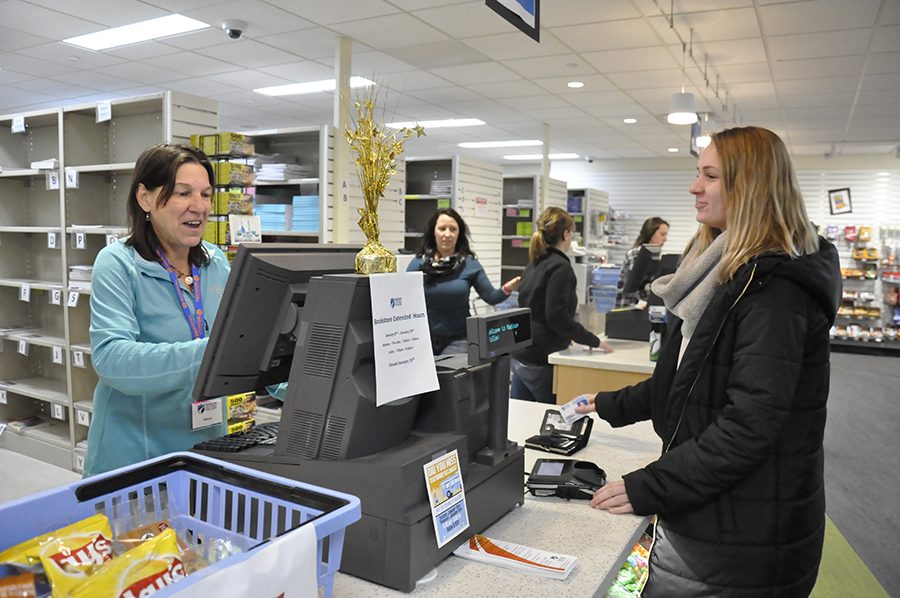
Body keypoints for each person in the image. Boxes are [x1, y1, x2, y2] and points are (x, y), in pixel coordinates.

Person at [575, 126, 841, 596]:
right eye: (698, 174)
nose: (694, 187)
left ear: (751, 186)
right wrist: (613, 403)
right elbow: (692, 379)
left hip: (743, 539)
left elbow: (749, 426)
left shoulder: (773, 288)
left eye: (710, 175)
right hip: (724, 520)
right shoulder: (721, 269)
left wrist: (648, 486)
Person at [84, 144, 231, 477]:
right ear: (145, 198)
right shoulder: (118, 263)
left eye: (206, 194)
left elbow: (246, 341)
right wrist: (213, 353)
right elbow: (112, 360)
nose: (200, 206)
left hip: (206, 450)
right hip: (135, 458)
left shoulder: (216, 262)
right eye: (183, 193)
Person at [511, 207, 609, 404]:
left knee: (520, 417)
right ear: (566, 234)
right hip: (542, 357)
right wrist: (593, 340)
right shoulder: (560, 267)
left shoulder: (535, 262)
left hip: (522, 352)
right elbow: (557, 317)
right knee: (550, 417)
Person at [407, 208, 519, 354]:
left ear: (459, 233)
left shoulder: (469, 264)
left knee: (449, 375)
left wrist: (508, 288)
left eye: (453, 229)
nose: (447, 234)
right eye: (442, 228)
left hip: (459, 339)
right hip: (423, 338)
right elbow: (403, 298)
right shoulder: (418, 263)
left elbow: (491, 296)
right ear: (433, 232)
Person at [614, 216, 669, 308]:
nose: (665, 239)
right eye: (662, 234)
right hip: (629, 307)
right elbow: (635, 287)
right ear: (650, 233)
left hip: (640, 306)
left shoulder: (655, 255)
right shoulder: (636, 253)